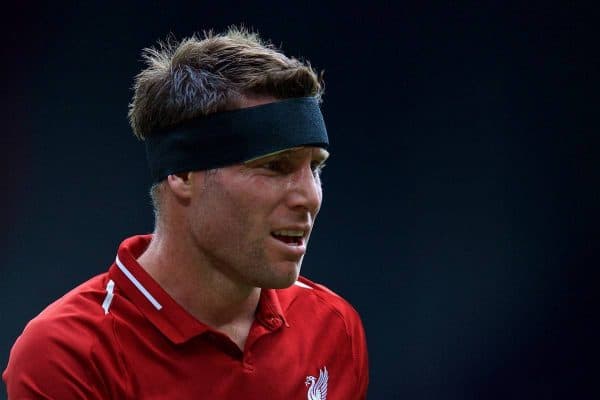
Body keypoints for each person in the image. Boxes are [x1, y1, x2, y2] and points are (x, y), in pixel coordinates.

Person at [3, 27, 368, 399]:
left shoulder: (333, 327)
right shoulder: (70, 356)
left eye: (316, 168)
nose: (308, 196)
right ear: (181, 174)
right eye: (274, 166)